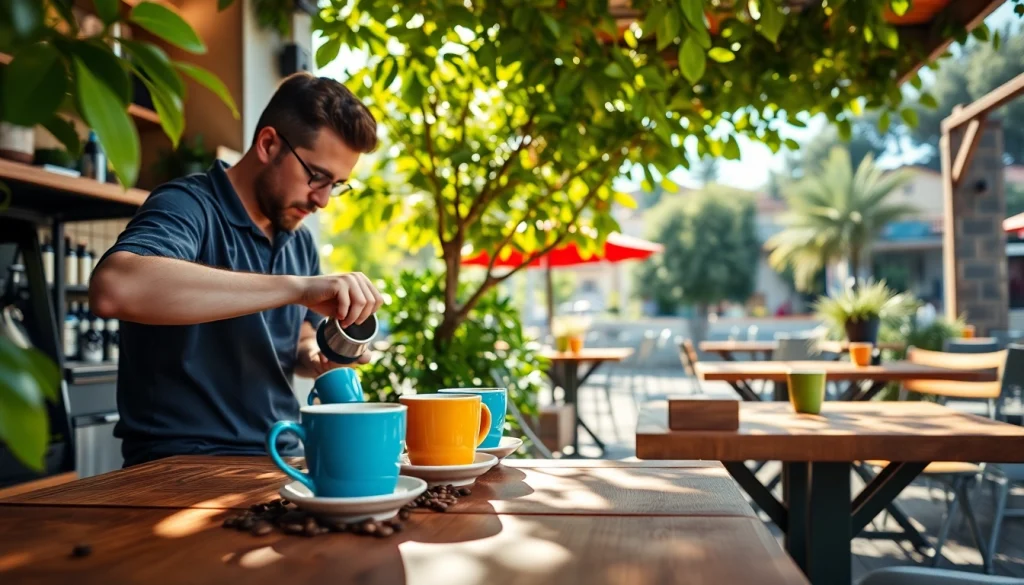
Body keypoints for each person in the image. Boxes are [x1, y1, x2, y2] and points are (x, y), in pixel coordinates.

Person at [90, 73, 383, 467]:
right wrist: (297, 288)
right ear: (268, 144)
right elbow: (115, 288)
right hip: (182, 465)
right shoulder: (188, 205)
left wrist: (314, 356)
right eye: (317, 176)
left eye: (337, 185)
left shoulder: (297, 239)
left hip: (282, 456)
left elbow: (298, 334)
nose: (324, 201)